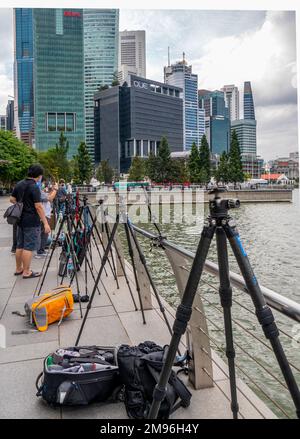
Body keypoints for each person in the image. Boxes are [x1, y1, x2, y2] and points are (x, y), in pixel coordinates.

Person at [10, 164, 51, 279]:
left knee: (20, 245)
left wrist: (21, 206)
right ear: (39, 175)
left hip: (20, 220)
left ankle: (19, 269)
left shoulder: (19, 184)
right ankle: (27, 271)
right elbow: (38, 206)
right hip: (31, 221)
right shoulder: (34, 187)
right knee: (28, 247)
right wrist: (46, 223)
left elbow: (12, 199)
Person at [35, 180, 58, 258]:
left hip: (45, 214)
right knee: (43, 233)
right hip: (43, 215)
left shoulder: (39, 191)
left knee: (44, 234)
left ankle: (41, 250)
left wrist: (52, 190)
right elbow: (50, 198)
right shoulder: (37, 191)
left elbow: (48, 197)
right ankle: (40, 251)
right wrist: (55, 189)